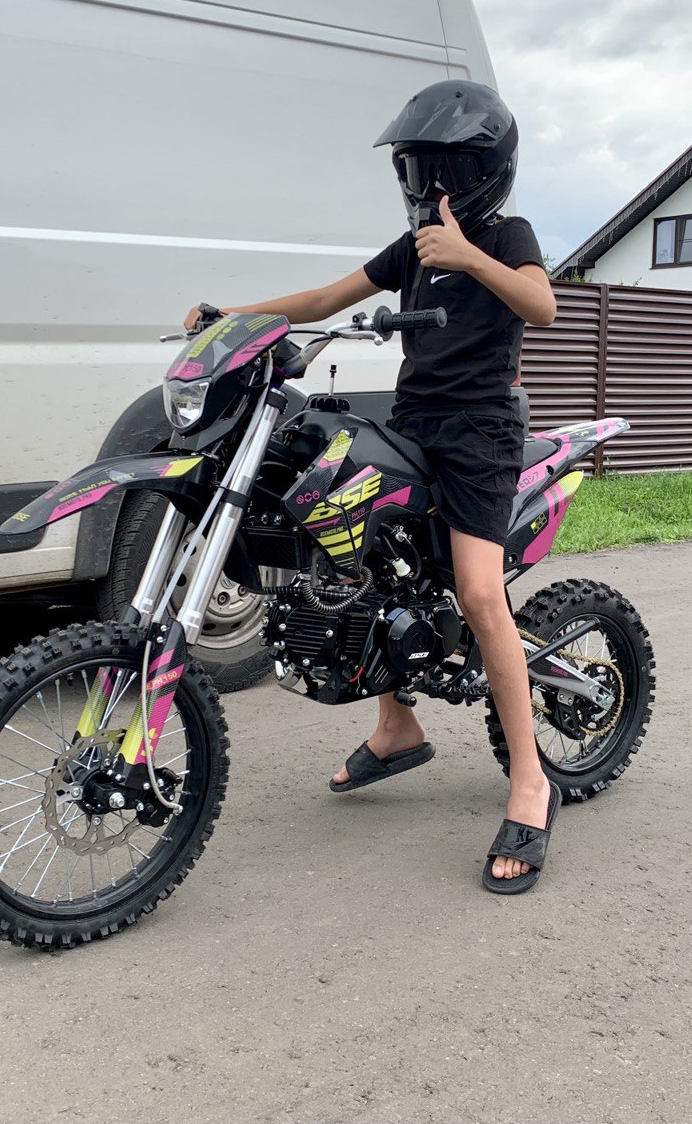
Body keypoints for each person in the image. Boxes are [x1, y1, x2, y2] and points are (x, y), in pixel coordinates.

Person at [184, 80, 560, 893]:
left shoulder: (506, 234)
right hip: (414, 418)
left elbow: (543, 306)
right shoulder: (412, 246)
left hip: (480, 434)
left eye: (446, 170)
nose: (432, 187)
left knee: (479, 592)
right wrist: (233, 319)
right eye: (419, 169)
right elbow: (326, 298)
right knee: (361, 559)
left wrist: (470, 257)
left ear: (486, 173)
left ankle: (530, 781)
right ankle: (398, 726)